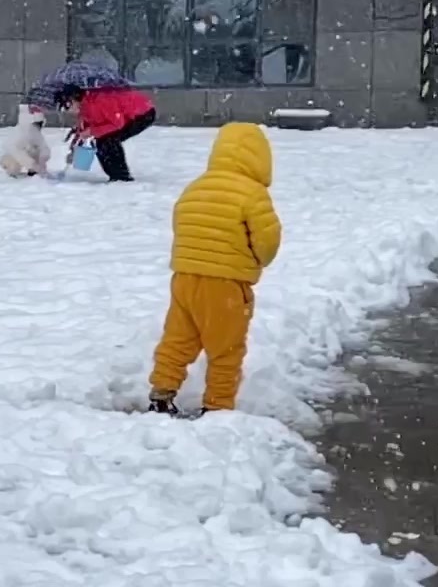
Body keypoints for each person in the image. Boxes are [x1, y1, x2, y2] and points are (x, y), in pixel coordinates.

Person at [148, 122, 282, 417]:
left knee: (178, 338)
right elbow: (268, 241)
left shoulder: (196, 187)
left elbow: (181, 225)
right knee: (226, 349)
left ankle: (161, 392)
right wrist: (256, 259)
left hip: (184, 278)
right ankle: (218, 406)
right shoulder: (253, 193)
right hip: (226, 284)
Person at [25, 61, 156, 182]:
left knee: (107, 140)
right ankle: (117, 175)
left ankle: (121, 176)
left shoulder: (100, 100)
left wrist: (91, 131)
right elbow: (89, 125)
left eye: (67, 106)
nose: (67, 111)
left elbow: (117, 124)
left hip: (143, 113)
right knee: (104, 140)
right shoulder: (84, 107)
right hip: (125, 116)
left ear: (74, 99)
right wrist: (77, 141)